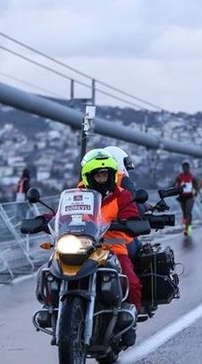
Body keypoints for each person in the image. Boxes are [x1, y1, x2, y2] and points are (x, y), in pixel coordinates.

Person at [72, 148, 142, 346]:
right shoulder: (77, 194)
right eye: (98, 174)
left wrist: (130, 221)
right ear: (89, 176)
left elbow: (132, 213)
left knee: (132, 283)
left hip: (113, 246)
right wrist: (43, 220)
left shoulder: (123, 196)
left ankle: (131, 321)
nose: (102, 178)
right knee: (52, 268)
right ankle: (53, 306)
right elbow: (62, 213)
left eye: (105, 174)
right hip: (82, 246)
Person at [175, 160, 199, 236]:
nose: (185, 169)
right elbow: (176, 185)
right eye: (184, 167)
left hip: (190, 196)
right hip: (182, 196)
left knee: (188, 211)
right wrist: (177, 188)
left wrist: (195, 193)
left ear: (189, 168)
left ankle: (187, 229)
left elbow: (196, 186)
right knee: (184, 213)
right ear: (182, 168)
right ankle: (190, 226)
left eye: (187, 167)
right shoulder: (179, 176)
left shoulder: (192, 176)